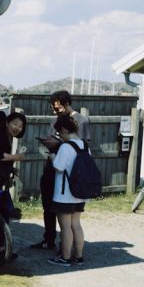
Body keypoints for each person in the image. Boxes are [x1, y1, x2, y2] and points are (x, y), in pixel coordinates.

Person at [31, 90, 90, 251]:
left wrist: (61, 145)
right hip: (51, 169)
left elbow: (82, 148)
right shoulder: (55, 121)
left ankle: (66, 249)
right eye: (53, 109)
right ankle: (49, 239)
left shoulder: (81, 121)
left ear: (66, 104)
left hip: (68, 175)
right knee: (48, 207)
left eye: (57, 108)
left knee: (68, 218)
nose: (55, 112)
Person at [47, 114, 87, 266]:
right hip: (80, 193)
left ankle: (65, 257)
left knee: (65, 226)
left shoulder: (65, 146)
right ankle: (79, 256)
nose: (59, 136)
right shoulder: (84, 145)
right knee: (76, 224)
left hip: (64, 193)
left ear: (64, 129)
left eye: (59, 133)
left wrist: (52, 157)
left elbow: (59, 167)